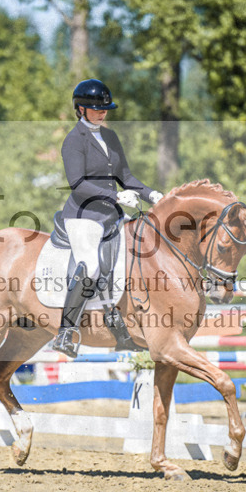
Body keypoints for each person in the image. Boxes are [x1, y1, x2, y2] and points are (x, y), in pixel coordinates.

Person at [51, 79, 164, 357]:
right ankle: (66, 331)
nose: (103, 113)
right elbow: (78, 184)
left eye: (105, 109)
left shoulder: (110, 137)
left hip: (111, 217)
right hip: (84, 216)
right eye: (96, 109)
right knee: (90, 266)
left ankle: (121, 327)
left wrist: (153, 195)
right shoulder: (73, 140)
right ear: (80, 109)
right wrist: (115, 196)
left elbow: (125, 177)